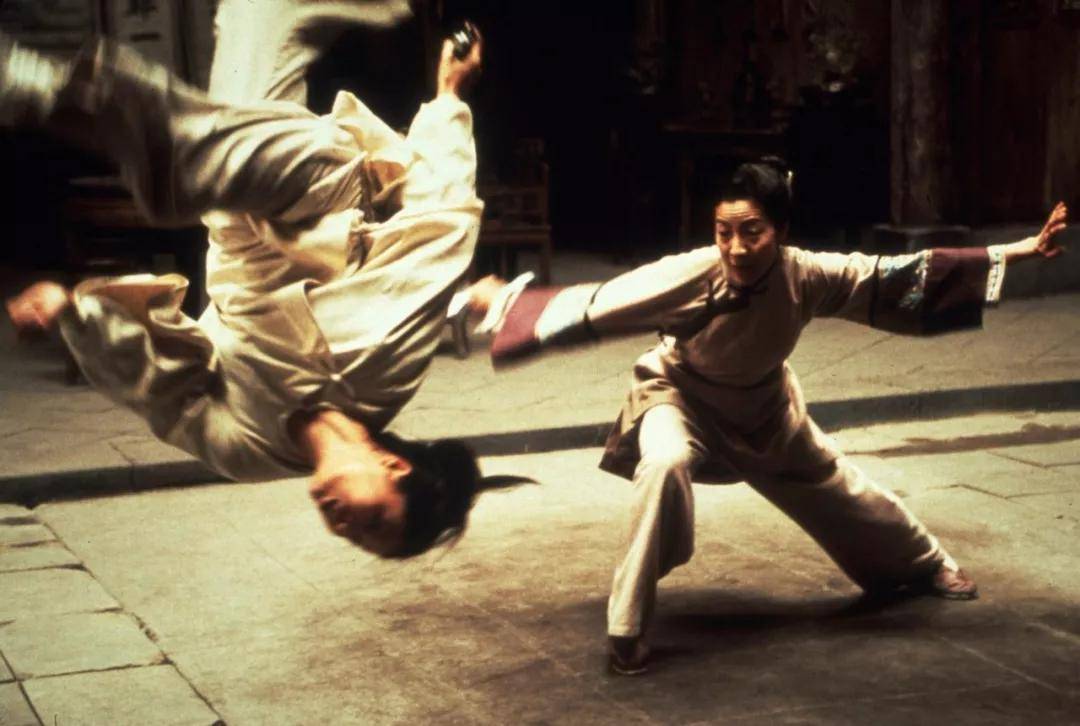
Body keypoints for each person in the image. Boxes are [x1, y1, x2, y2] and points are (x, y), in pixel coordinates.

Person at [464, 157, 1069, 674]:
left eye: (751, 232)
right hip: (677, 396)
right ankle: (626, 625)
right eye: (723, 232)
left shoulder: (808, 274)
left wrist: (1015, 252)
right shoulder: (693, 272)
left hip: (765, 409)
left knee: (839, 488)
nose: (735, 248)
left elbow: (895, 277)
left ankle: (925, 563)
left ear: (779, 231)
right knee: (665, 462)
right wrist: (509, 304)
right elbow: (599, 303)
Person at [2, 2, 491, 559]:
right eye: (374, 521)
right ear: (393, 465)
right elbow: (444, 222)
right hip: (317, 190)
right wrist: (450, 97)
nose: (345, 529)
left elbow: (159, 391)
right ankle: (30, 89)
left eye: (358, 540)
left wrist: (75, 315)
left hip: (233, 210)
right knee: (187, 167)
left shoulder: (248, 452)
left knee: (251, 15)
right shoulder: (387, 371)